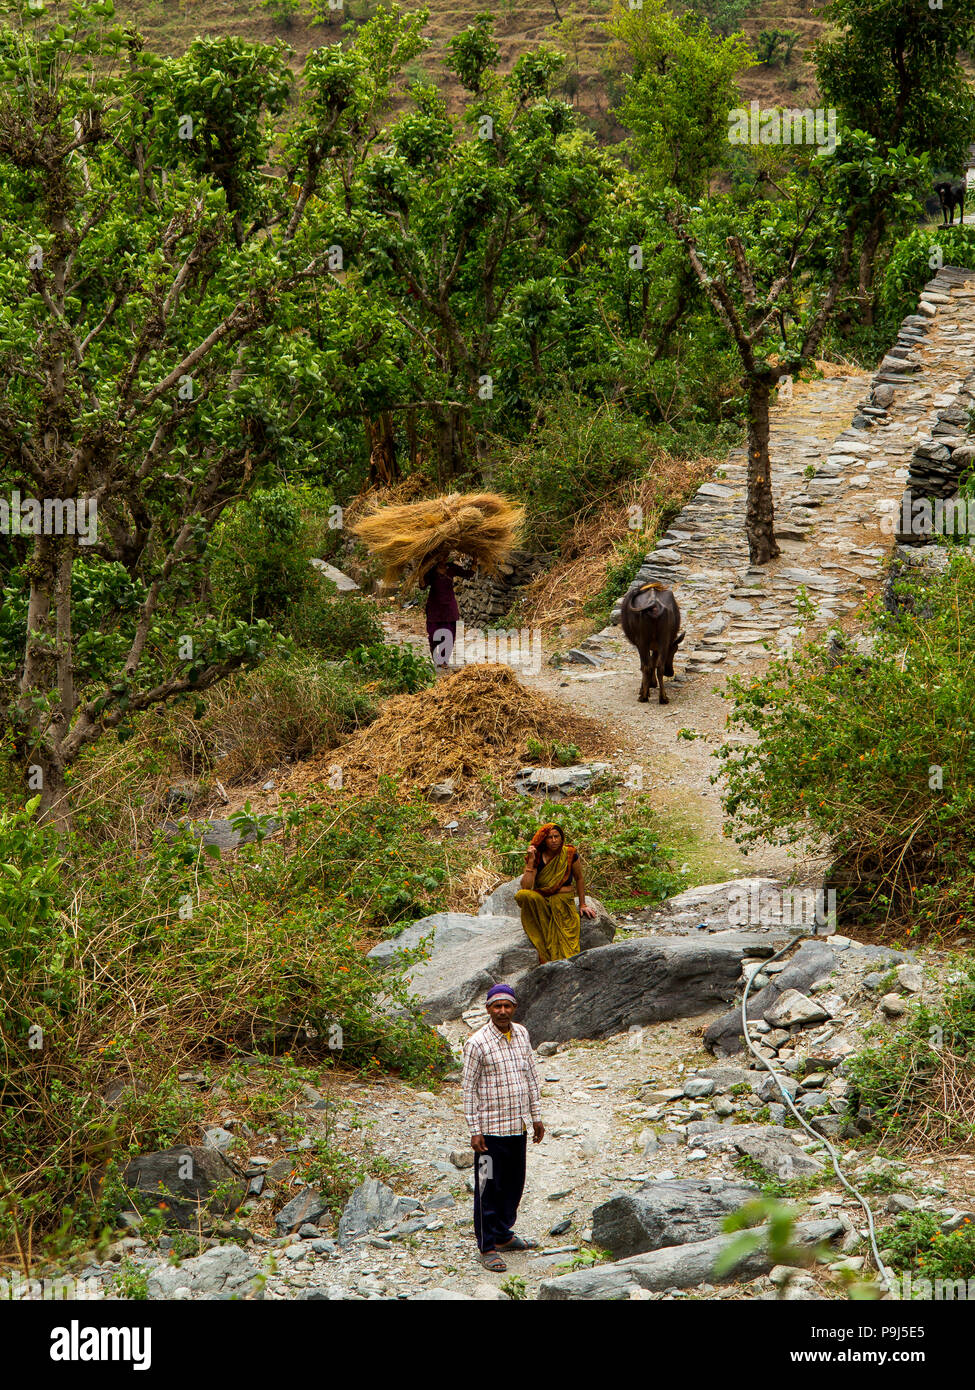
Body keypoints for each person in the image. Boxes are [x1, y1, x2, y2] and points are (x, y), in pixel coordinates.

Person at [462, 983, 544, 1272]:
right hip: (489, 1134)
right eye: (496, 1006)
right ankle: (486, 1247)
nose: (502, 1011)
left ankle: (503, 1235)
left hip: (516, 1127)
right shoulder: (477, 1043)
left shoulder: (521, 1033)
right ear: (488, 1009)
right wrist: (475, 1129)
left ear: (514, 1008)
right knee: (487, 1188)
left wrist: (536, 1117)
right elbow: (468, 1089)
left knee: (513, 1185)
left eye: (507, 1005)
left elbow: (532, 1076)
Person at [515, 822, 597, 964]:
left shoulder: (570, 853)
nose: (553, 840)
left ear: (561, 837)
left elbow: (579, 878)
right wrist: (531, 862)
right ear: (544, 840)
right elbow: (526, 887)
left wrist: (583, 904)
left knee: (567, 946)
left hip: (563, 903)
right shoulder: (538, 857)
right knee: (522, 895)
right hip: (544, 902)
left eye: (556, 837)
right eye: (549, 838)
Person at [419, 551, 471, 672]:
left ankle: (444, 660)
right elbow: (422, 586)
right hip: (434, 607)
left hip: (449, 607)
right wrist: (420, 574)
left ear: (447, 556)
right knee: (433, 635)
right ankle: (435, 654)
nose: (443, 557)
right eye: (441, 555)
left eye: (445, 555)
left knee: (449, 634)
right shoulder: (431, 570)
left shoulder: (452, 568)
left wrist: (475, 559)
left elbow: (468, 574)